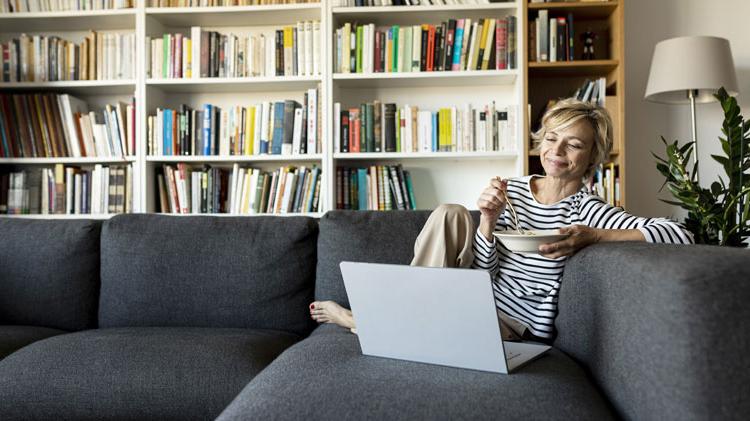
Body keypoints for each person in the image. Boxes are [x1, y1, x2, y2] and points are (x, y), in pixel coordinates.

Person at [310, 98, 694, 341]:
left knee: (437, 331)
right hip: (474, 293)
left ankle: (361, 321)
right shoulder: (512, 189)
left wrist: (592, 236)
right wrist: (488, 223)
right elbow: (488, 269)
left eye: (573, 144)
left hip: (515, 324)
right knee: (451, 213)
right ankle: (403, 312)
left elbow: (679, 234)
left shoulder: (586, 211)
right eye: (550, 138)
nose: (557, 150)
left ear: (592, 158)